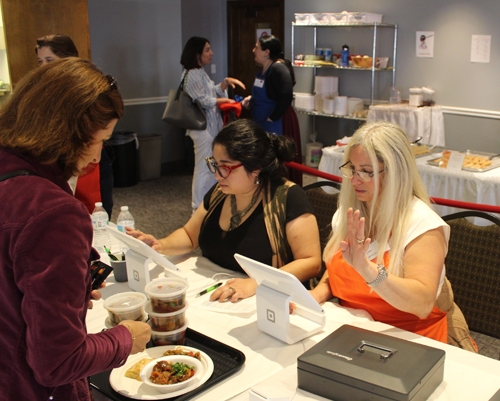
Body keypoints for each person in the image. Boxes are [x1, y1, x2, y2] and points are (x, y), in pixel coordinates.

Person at [0, 58, 151, 401]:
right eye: (98, 141)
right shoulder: (52, 212)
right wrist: (126, 338)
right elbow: (58, 361)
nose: (98, 156)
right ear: (66, 132)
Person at [128, 119, 321, 301]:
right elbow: (189, 235)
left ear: (255, 168)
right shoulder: (221, 192)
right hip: (217, 294)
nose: (217, 175)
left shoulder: (287, 198)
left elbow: (311, 262)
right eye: (215, 165)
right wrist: (159, 246)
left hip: (269, 302)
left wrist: (256, 283)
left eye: (226, 167)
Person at [309, 121, 451, 343]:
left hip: (410, 341)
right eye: (352, 170)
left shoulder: (422, 225)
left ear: (396, 172)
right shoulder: (350, 212)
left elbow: (422, 304)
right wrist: (315, 295)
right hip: (354, 331)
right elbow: (338, 268)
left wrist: (367, 269)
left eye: (366, 172)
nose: (355, 180)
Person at [36, 34, 115, 218]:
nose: (44, 67)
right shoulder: (41, 93)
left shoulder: (86, 88)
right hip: (59, 162)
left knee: (95, 212)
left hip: (86, 161)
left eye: (50, 60)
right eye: (40, 61)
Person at [180, 36, 245, 212]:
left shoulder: (200, 72)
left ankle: (206, 205)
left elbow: (210, 92)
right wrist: (223, 100)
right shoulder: (193, 74)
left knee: (209, 167)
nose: (211, 53)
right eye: (207, 50)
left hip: (210, 127)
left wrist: (224, 84)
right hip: (203, 129)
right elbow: (203, 100)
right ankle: (197, 208)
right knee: (203, 168)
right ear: (197, 54)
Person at [242, 35, 294, 135]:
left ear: (266, 52)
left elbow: (287, 96)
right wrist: (252, 100)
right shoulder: (262, 71)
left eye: (256, 47)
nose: (253, 50)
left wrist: (272, 118)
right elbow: (270, 92)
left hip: (273, 124)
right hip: (260, 122)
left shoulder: (278, 68)